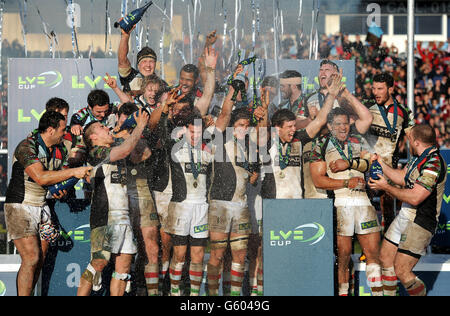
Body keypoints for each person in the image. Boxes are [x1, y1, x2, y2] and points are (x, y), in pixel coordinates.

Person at [3, 111, 92, 296]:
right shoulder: (27, 146)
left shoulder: (58, 148)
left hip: (42, 206)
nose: (64, 132)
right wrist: (73, 172)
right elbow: (42, 178)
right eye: (62, 129)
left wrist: (62, 188)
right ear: (51, 130)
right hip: (20, 206)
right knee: (31, 258)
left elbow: (55, 179)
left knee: (39, 259)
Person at [309, 107, 382, 296]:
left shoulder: (358, 140)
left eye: (346, 124)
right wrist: (345, 182)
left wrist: (349, 164)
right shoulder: (321, 144)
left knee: (373, 254)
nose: (343, 128)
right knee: (343, 256)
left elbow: (370, 162)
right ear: (330, 126)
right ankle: (343, 293)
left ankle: (378, 293)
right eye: (338, 124)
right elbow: (318, 180)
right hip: (341, 203)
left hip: (364, 201)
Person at [77, 108, 149, 296]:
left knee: (124, 269)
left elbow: (145, 154)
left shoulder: (114, 147)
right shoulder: (96, 152)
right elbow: (125, 151)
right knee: (99, 263)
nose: (107, 127)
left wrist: (131, 132)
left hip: (124, 217)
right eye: (101, 127)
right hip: (105, 216)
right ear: (93, 137)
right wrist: (139, 126)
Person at [368, 124, 447, 296]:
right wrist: (381, 164)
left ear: (417, 142)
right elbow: (403, 178)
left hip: (420, 222)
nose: (408, 141)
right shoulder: (418, 157)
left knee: (402, 270)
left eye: (410, 138)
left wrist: (386, 187)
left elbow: (415, 197)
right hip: (405, 215)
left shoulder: (433, 163)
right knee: (385, 259)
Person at [206, 87, 258, 296]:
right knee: (218, 254)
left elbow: (253, 179)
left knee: (239, 254)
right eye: (240, 125)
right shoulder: (219, 139)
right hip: (219, 204)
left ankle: (233, 298)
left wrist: (251, 171)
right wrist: (232, 92)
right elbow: (225, 114)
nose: (243, 128)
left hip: (241, 205)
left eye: (246, 125)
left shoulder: (251, 147)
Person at [364, 73, 415, 232]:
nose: (376, 92)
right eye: (374, 88)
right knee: (365, 209)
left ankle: (388, 250)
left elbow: (412, 139)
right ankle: (366, 253)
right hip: (368, 166)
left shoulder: (404, 111)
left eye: (380, 89)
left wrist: (413, 164)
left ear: (391, 89)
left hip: (390, 168)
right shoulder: (366, 105)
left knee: (388, 211)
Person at [118, 24, 157, 94]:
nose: (148, 65)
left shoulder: (161, 84)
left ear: (155, 64)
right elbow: (122, 59)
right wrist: (125, 36)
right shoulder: (130, 77)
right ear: (138, 65)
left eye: (151, 61)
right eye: (144, 61)